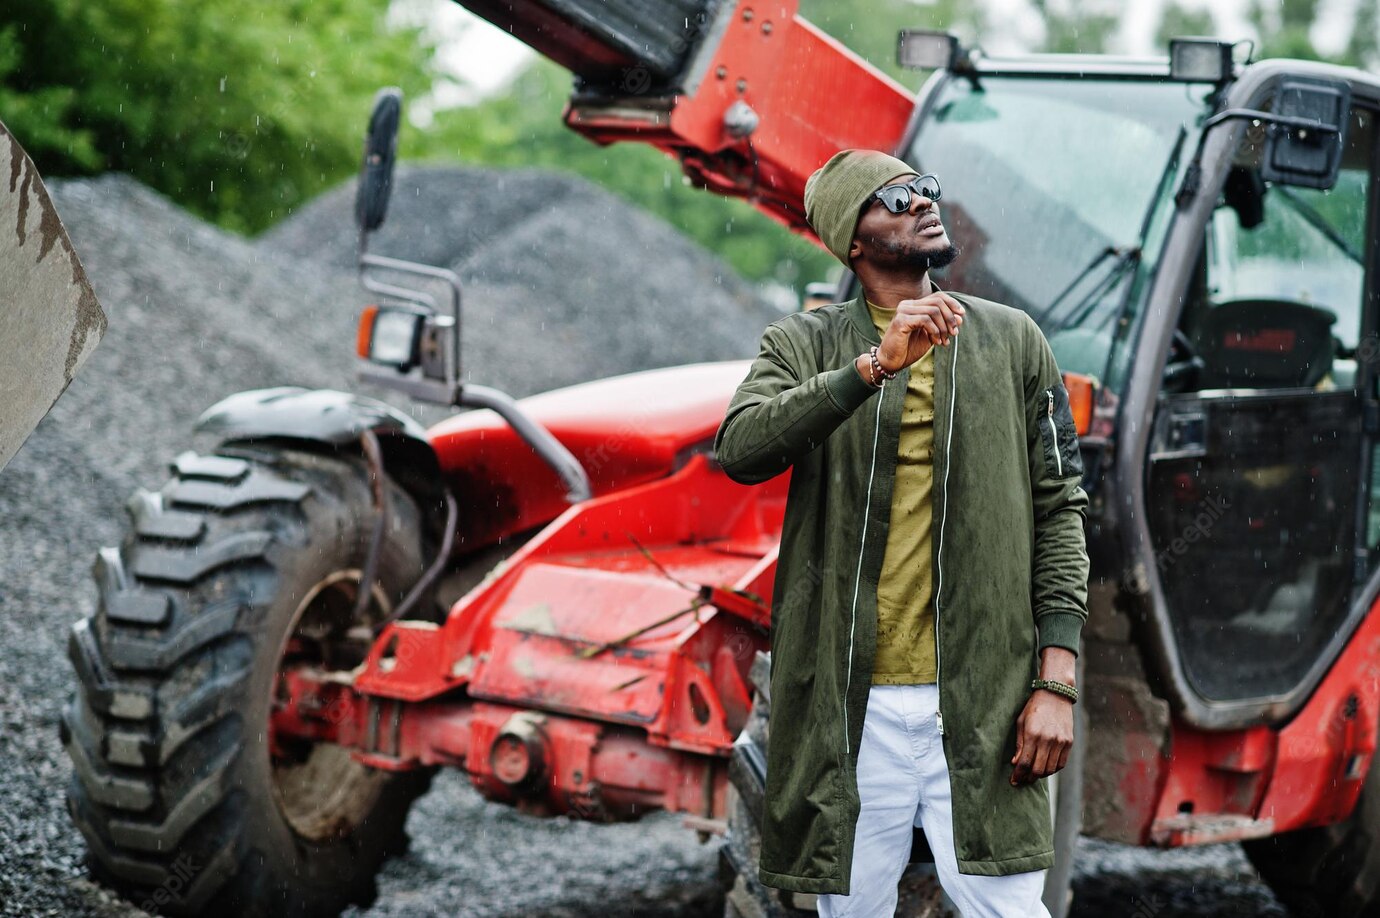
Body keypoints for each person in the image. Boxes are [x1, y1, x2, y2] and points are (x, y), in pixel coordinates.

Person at [713, 149, 1091, 917]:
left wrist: (1056, 680)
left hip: (983, 699)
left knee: (1008, 910)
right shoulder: (804, 344)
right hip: (849, 710)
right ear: (852, 240)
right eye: (897, 197)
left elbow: (1062, 508)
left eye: (927, 188)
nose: (924, 202)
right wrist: (871, 368)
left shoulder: (1013, 341)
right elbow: (741, 449)